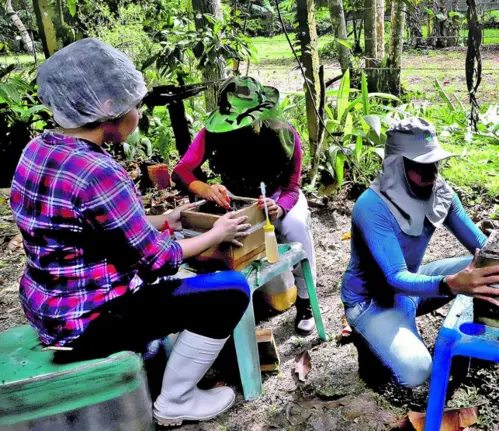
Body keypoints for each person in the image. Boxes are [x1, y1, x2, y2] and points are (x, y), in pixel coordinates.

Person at [10, 38, 253, 426]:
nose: (139, 112)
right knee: (231, 291)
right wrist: (215, 232)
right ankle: (177, 400)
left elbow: (89, 230)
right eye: (135, 104)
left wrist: (165, 220)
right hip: (90, 322)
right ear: (108, 109)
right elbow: (159, 261)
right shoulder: (99, 171)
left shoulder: (38, 149)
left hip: (49, 308)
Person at [340, 117, 499, 388]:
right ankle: (368, 338)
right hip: (372, 302)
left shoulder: (441, 193)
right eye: (420, 166)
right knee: (417, 373)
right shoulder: (371, 206)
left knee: (494, 271)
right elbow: (395, 276)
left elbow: (480, 246)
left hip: (413, 283)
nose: (430, 173)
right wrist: (449, 284)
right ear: (397, 165)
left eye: (434, 163)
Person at [172, 77, 317, 335]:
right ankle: (232, 302)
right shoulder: (211, 134)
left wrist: (280, 207)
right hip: (237, 201)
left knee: (294, 226)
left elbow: (292, 187)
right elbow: (182, 170)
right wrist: (205, 189)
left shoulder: (285, 134)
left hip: (275, 198)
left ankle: (306, 301)